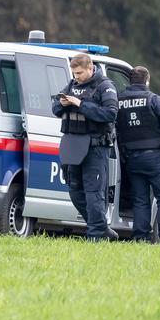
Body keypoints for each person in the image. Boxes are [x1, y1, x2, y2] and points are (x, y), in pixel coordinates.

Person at [52, 54, 119, 241]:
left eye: (79, 73)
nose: (76, 76)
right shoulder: (72, 85)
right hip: (73, 145)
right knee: (74, 190)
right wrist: (63, 103)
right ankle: (101, 228)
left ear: (90, 68)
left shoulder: (105, 86)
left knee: (93, 193)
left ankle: (96, 236)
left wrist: (80, 104)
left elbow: (110, 114)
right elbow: (55, 109)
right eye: (74, 73)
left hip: (95, 147)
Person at [115, 65, 160, 244]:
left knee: (140, 200)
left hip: (131, 159)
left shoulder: (118, 101)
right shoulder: (154, 99)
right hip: (155, 159)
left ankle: (140, 238)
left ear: (130, 81)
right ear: (147, 80)